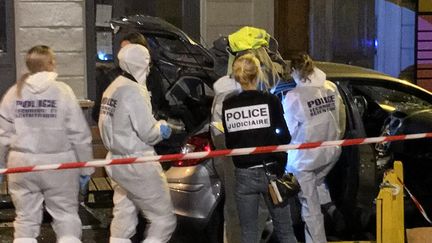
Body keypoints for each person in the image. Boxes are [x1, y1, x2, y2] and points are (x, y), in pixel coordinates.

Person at [0, 45, 93, 243]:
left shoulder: (13, 93)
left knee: (25, 220)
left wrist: (0, 167)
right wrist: (86, 168)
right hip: (59, 164)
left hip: (22, 164)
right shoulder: (63, 92)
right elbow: (79, 134)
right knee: (65, 215)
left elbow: (2, 135)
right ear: (50, 63)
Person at [98, 43, 176, 243]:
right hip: (137, 162)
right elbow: (148, 132)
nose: (149, 68)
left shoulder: (113, 87)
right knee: (163, 220)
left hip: (115, 161)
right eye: (147, 63)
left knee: (124, 212)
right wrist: (162, 128)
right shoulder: (134, 91)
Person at [221, 53, 297, 243]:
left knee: (248, 234)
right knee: (285, 231)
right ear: (258, 74)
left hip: (243, 175)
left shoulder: (228, 104)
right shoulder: (270, 101)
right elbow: (284, 136)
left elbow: (230, 143)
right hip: (271, 172)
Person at [282, 53, 346, 243]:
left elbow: (288, 131)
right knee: (317, 183)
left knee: (309, 207)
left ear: (294, 71)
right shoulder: (330, 87)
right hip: (331, 152)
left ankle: (318, 240)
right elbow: (341, 118)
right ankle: (331, 209)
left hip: (305, 160)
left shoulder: (294, 96)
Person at [92, 32, 168, 122]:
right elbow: (98, 113)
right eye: (122, 50)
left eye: (128, 51)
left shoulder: (153, 76)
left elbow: (162, 105)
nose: (123, 56)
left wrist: (159, 120)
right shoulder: (110, 79)